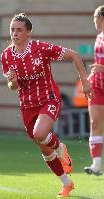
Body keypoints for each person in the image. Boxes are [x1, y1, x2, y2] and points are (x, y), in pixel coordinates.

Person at [1, 13, 92, 198]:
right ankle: (67, 183)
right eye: (12, 29)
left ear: (28, 32)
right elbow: (12, 87)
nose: (15, 33)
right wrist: (13, 81)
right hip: (27, 104)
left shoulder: (40, 48)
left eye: (19, 30)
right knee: (43, 147)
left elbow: (74, 55)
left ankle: (61, 149)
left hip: (48, 98)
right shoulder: (6, 56)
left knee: (40, 134)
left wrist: (85, 81)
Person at [84, 5, 104, 176]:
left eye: (95, 18)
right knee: (95, 123)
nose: (94, 22)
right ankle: (96, 165)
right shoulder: (98, 37)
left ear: (101, 18)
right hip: (97, 85)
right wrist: (90, 77)